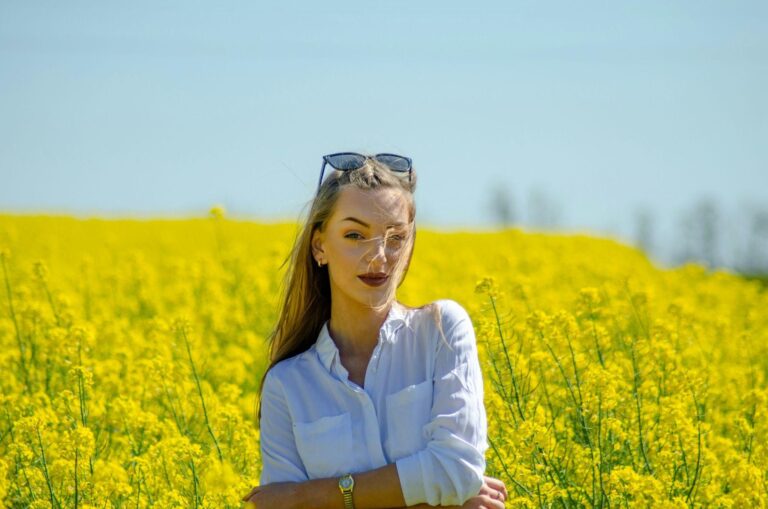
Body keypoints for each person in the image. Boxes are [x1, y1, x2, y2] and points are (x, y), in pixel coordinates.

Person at [242, 153, 508, 509]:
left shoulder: (442, 331)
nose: (379, 257)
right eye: (355, 235)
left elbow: (457, 470)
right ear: (320, 246)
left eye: (396, 237)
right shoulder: (287, 386)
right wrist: (439, 502)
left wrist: (310, 495)